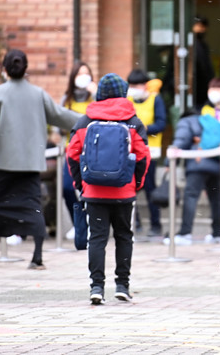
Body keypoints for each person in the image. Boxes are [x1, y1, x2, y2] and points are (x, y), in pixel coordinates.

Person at [0, 49, 81, 269]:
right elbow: (59, 115)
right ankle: (37, 257)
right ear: (25, 69)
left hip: (4, 164)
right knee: (33, 206)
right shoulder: (37, 94)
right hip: (30, 164)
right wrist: (88, 119)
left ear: (4, 69)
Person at [67, 73, 150, 304]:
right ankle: (122, 285)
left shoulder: (86, 120)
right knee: (124, 236)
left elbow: (72, 153)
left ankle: (96, 287)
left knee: (97, 238)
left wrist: (80, 183)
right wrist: (137, 183)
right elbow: (143, 156)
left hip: (94, 191)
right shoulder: (132, 120)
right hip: (124, 191)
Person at [164, 78, 220, 246]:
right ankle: (217, 233)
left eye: (219, 88)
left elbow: (185, 137)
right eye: (212, 87)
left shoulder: (197, 115)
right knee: (217, 199)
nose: (214, 91)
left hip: (199, 161)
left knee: (191, 196)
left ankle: (185, 233)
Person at [127, 69, 168, 237]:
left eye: (137, 85)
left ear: (145, 85)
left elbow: (161, 123)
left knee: (150, 188)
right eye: (132, 85)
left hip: (150, 151)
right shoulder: (127, 100)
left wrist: (145, 129)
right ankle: (134, 223)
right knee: (129, 188)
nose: (135, 88)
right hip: (129, 151)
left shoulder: (155, 99)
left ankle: (155, 224)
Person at [61, 61, 97, 235]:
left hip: (93, 151)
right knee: (67, 187)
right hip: (72, 151)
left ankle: (90, 224)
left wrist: (96, 94)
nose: (83, 77)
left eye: (86, 73)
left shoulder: (95, 97)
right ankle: (79, 222)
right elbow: (59, 125)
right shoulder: (66, 99)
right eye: (79, 74)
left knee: (89, 189)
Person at [192, 16, 215, 108]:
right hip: (195, 88)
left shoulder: (203, 45)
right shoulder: (190, 45)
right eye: (198, 25)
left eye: (203, 26)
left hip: (202, 89)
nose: (200, 29)